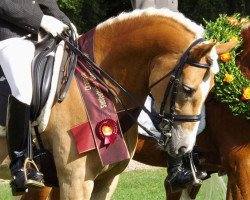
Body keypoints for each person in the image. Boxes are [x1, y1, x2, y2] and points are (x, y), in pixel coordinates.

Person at [0, 0, 74, 194]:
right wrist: (40, 19)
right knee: (23, 89)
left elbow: (47, 3)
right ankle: (20, 164)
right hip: (10, 36)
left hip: (42, 37)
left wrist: (70, 27)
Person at [133, 0, 207, 192]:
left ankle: (192, 157)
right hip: (152, 45)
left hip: (172, 42)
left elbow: (174, 14)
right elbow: (147, 14)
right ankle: (174, 169)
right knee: (171, 96)